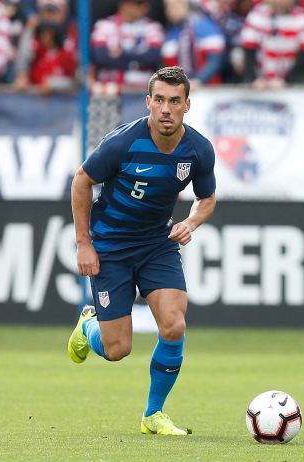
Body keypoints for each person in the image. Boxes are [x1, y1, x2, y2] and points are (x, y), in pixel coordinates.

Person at [68, 66, 217, 436]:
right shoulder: (122, 143)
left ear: (187, 106)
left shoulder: (198, 150)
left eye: (175, 101)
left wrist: (192, 222)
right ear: (149, 102)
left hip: (156, 245)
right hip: (111, 246)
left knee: (174, 323)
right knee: (118, 349)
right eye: (160, 100)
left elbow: (207, 197)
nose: (166, 109)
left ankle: (154, 414)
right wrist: (84, 243)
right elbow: (82, 181)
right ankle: (89, 326)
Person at [240, 0, 304, 88]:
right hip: (261, 85)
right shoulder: (256, 16)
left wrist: (287, 81)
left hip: (292, 84)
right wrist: (253, 78)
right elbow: (249, 50)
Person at [90, 0, 165, 92]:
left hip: (142, 89)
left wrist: (122, 55)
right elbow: (101, 57)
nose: (144, 7)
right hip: (111, 89)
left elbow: (153, 56)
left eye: (145, 4)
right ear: (124, 5)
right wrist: (136, 64)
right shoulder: (104, 25)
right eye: (138, 3)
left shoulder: (153, 27)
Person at [162, 0, 226, 87]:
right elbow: (169, 64)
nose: (170, 11)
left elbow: (214, 61)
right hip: (181, 89)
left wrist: (199, 79)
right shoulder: (172, 32)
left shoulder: (204, 26)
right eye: (167, 7)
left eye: (174, 6)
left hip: (209, 88)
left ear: (187, 5)